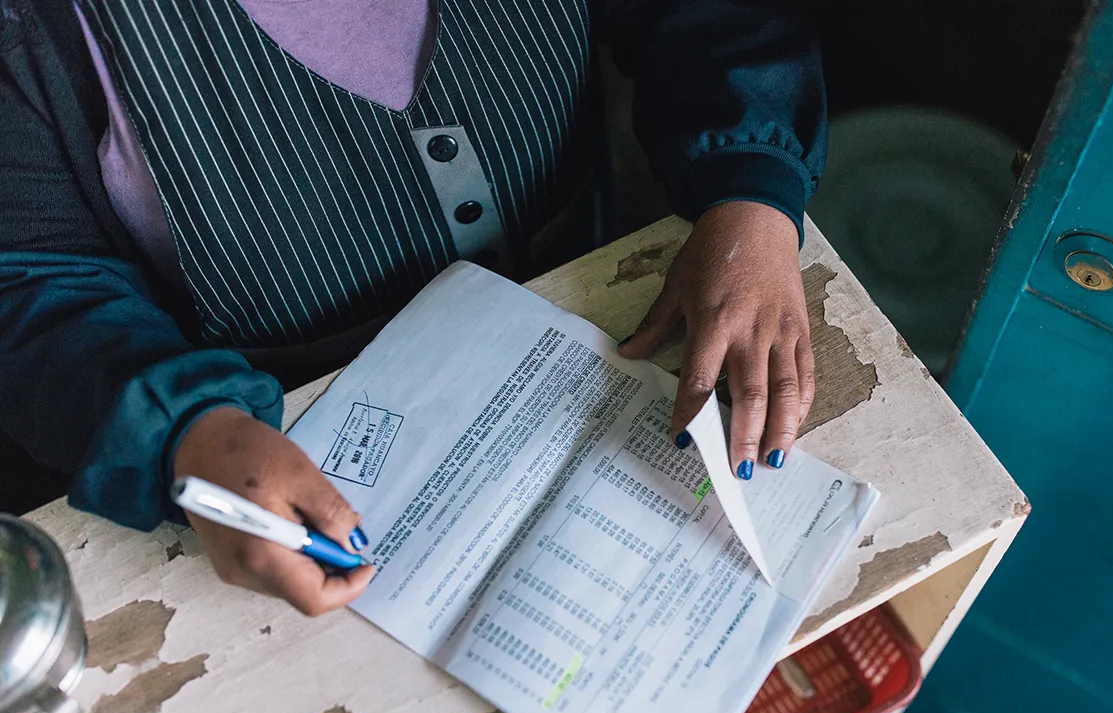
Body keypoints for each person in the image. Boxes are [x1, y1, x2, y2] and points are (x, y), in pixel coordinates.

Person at [0, 0, 826, 615]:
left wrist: (751, 195)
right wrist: (184, 431)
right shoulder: (33, 34)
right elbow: (32, 278)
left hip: (618, 336)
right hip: (301, 473)